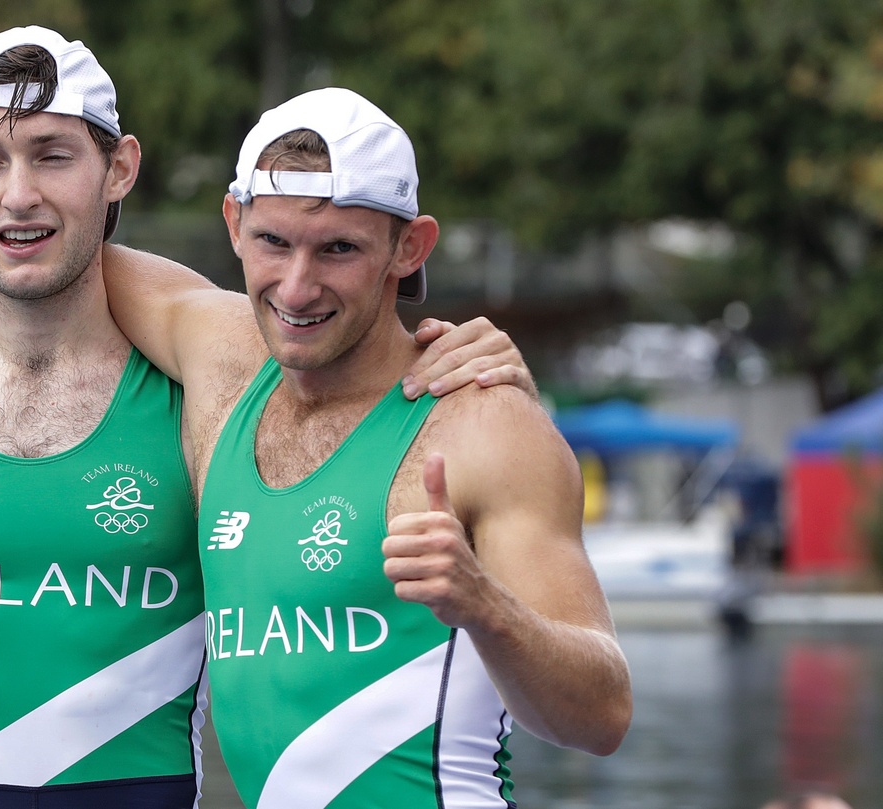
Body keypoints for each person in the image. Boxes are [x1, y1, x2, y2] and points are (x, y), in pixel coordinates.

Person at [0, 27, 533, 809]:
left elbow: (351, 334)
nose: (19, 192)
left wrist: (470, 370)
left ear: (119, 169)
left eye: (52, 155)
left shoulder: (210, 380)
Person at [97, 88, 632, 806]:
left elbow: (603, 714)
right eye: (273, 241)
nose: (297, 285)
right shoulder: (222, 371)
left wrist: (484, 605)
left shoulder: (480, 424)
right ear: (234, 222)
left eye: (339, 249)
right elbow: (39, 259)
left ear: (409, 248)